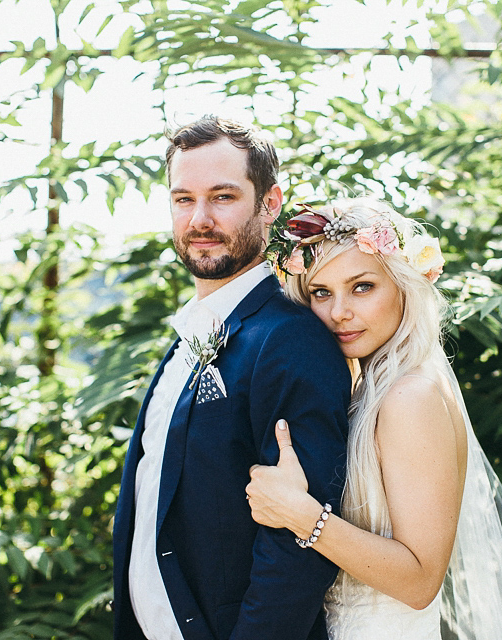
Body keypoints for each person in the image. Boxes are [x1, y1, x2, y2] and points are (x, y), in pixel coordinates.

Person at [246, 198, 502, 640]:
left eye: (362, 286)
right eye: (321, 293)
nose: (339, 311)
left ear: (402, 284)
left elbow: (419, 581)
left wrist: (301, 515)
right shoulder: (373, 390)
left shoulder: (410, 396)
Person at [110, 116, 352, 640]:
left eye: (223, 197)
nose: (199, 219)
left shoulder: (290, 341)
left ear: (270, 204)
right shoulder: (189, 332)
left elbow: (298, 547)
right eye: (182, 199)